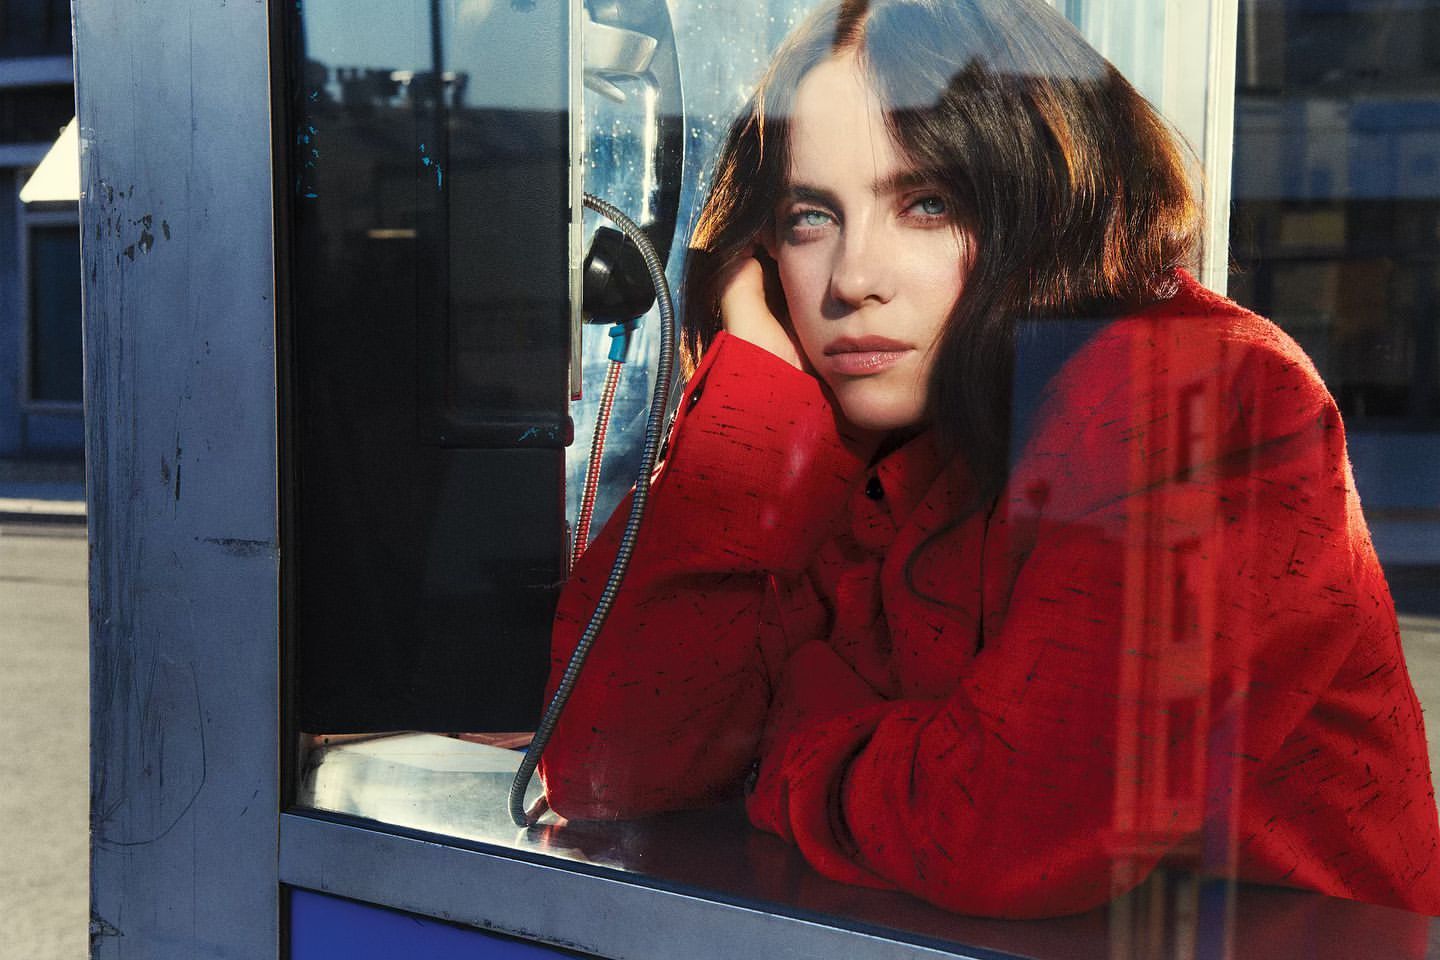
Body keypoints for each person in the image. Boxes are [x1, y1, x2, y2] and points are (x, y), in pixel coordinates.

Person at [539, 0, 1440, 919]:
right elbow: (605, 768)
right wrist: (758, 407)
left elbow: (1001, 828)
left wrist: (778, 754)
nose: (853, 279)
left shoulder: (1208, 395)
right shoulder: (847, 436)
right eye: (811, 218)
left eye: (927, 204)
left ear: (1043, 197)